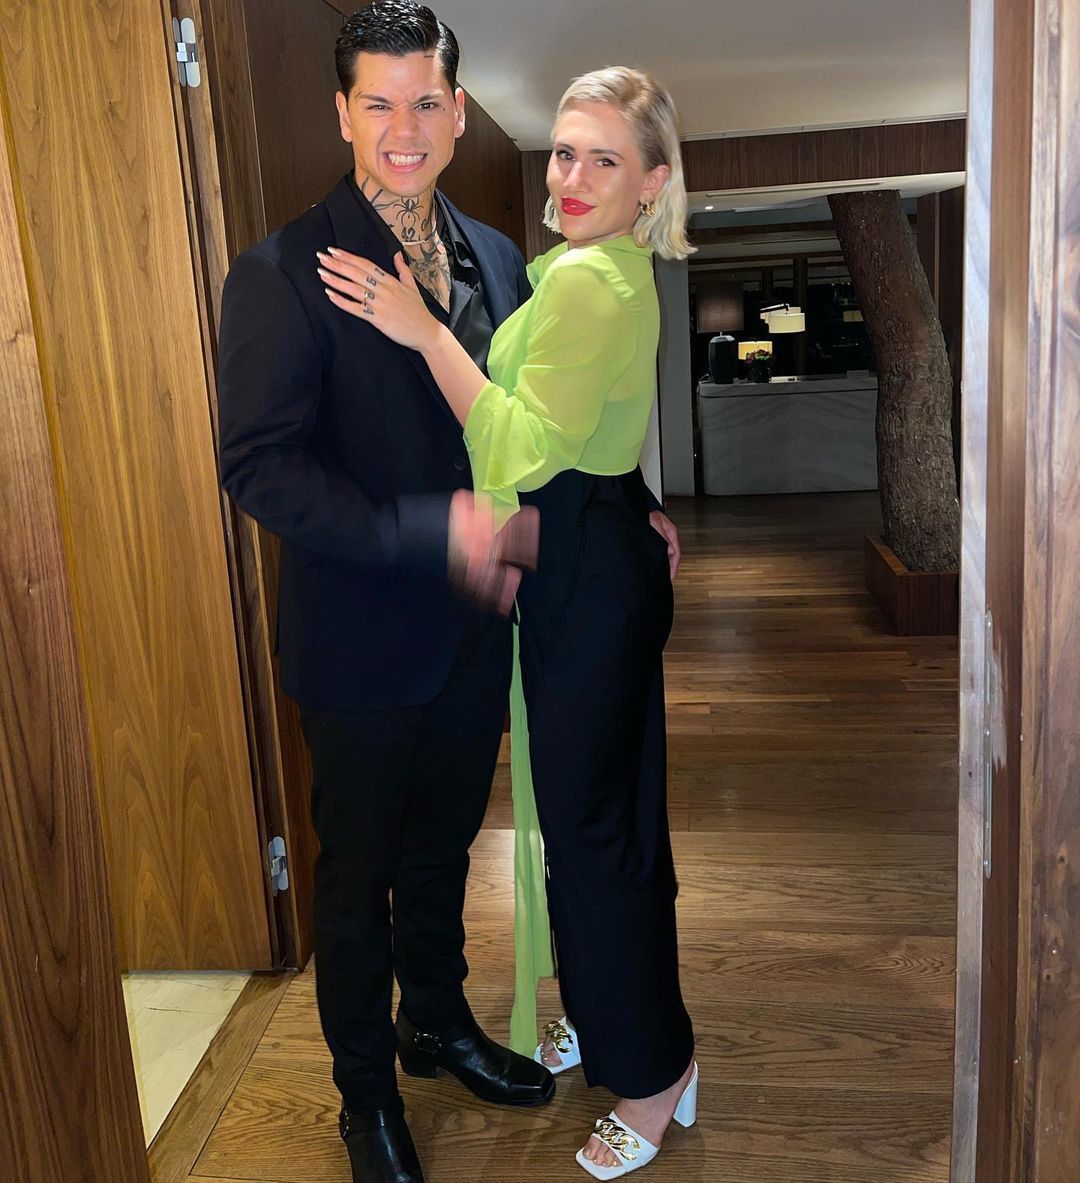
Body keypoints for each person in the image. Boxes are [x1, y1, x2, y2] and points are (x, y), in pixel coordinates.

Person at [318, 65, 696, 1180]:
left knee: (593, 832)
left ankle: (655, 1073)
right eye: (565, 151)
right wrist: (632, 498)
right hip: (587, 549)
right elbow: (597, 420)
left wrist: (421, 331)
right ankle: (624, 1021)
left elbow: (525, 445)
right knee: (597, 818)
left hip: (583, 572)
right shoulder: (596, 267)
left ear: (652, 182)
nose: (571, 176)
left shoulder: (584, 283)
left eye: (604, 159)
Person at [216, 5, 566, 1181]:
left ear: (459, 111)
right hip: (359, 645)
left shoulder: (501, 261)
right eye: (378, 102)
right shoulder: (279, 272)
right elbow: (257, 466)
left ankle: (438, 1025)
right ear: (342, 113)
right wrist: (427, 531)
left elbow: (521, 424)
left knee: (443, 851)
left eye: (425, 101)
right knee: (355, 880)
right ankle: (364, 1096)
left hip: (474, 633)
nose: (403, 128)